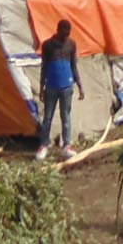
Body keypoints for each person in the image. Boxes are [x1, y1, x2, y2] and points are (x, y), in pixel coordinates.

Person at [36, 20, 84, 161]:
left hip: (67, 86)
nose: (66, 36)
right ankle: (44, 145)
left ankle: (67, 145)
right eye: (64, 33)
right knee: (48, 116)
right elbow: (44, 67)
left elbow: (74, 65)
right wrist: (41, 87)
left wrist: (80, 85)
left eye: (68, 33)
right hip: (51, 86)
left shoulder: (71, 44)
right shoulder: (48, 45)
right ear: (58, 30)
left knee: (66, 116)